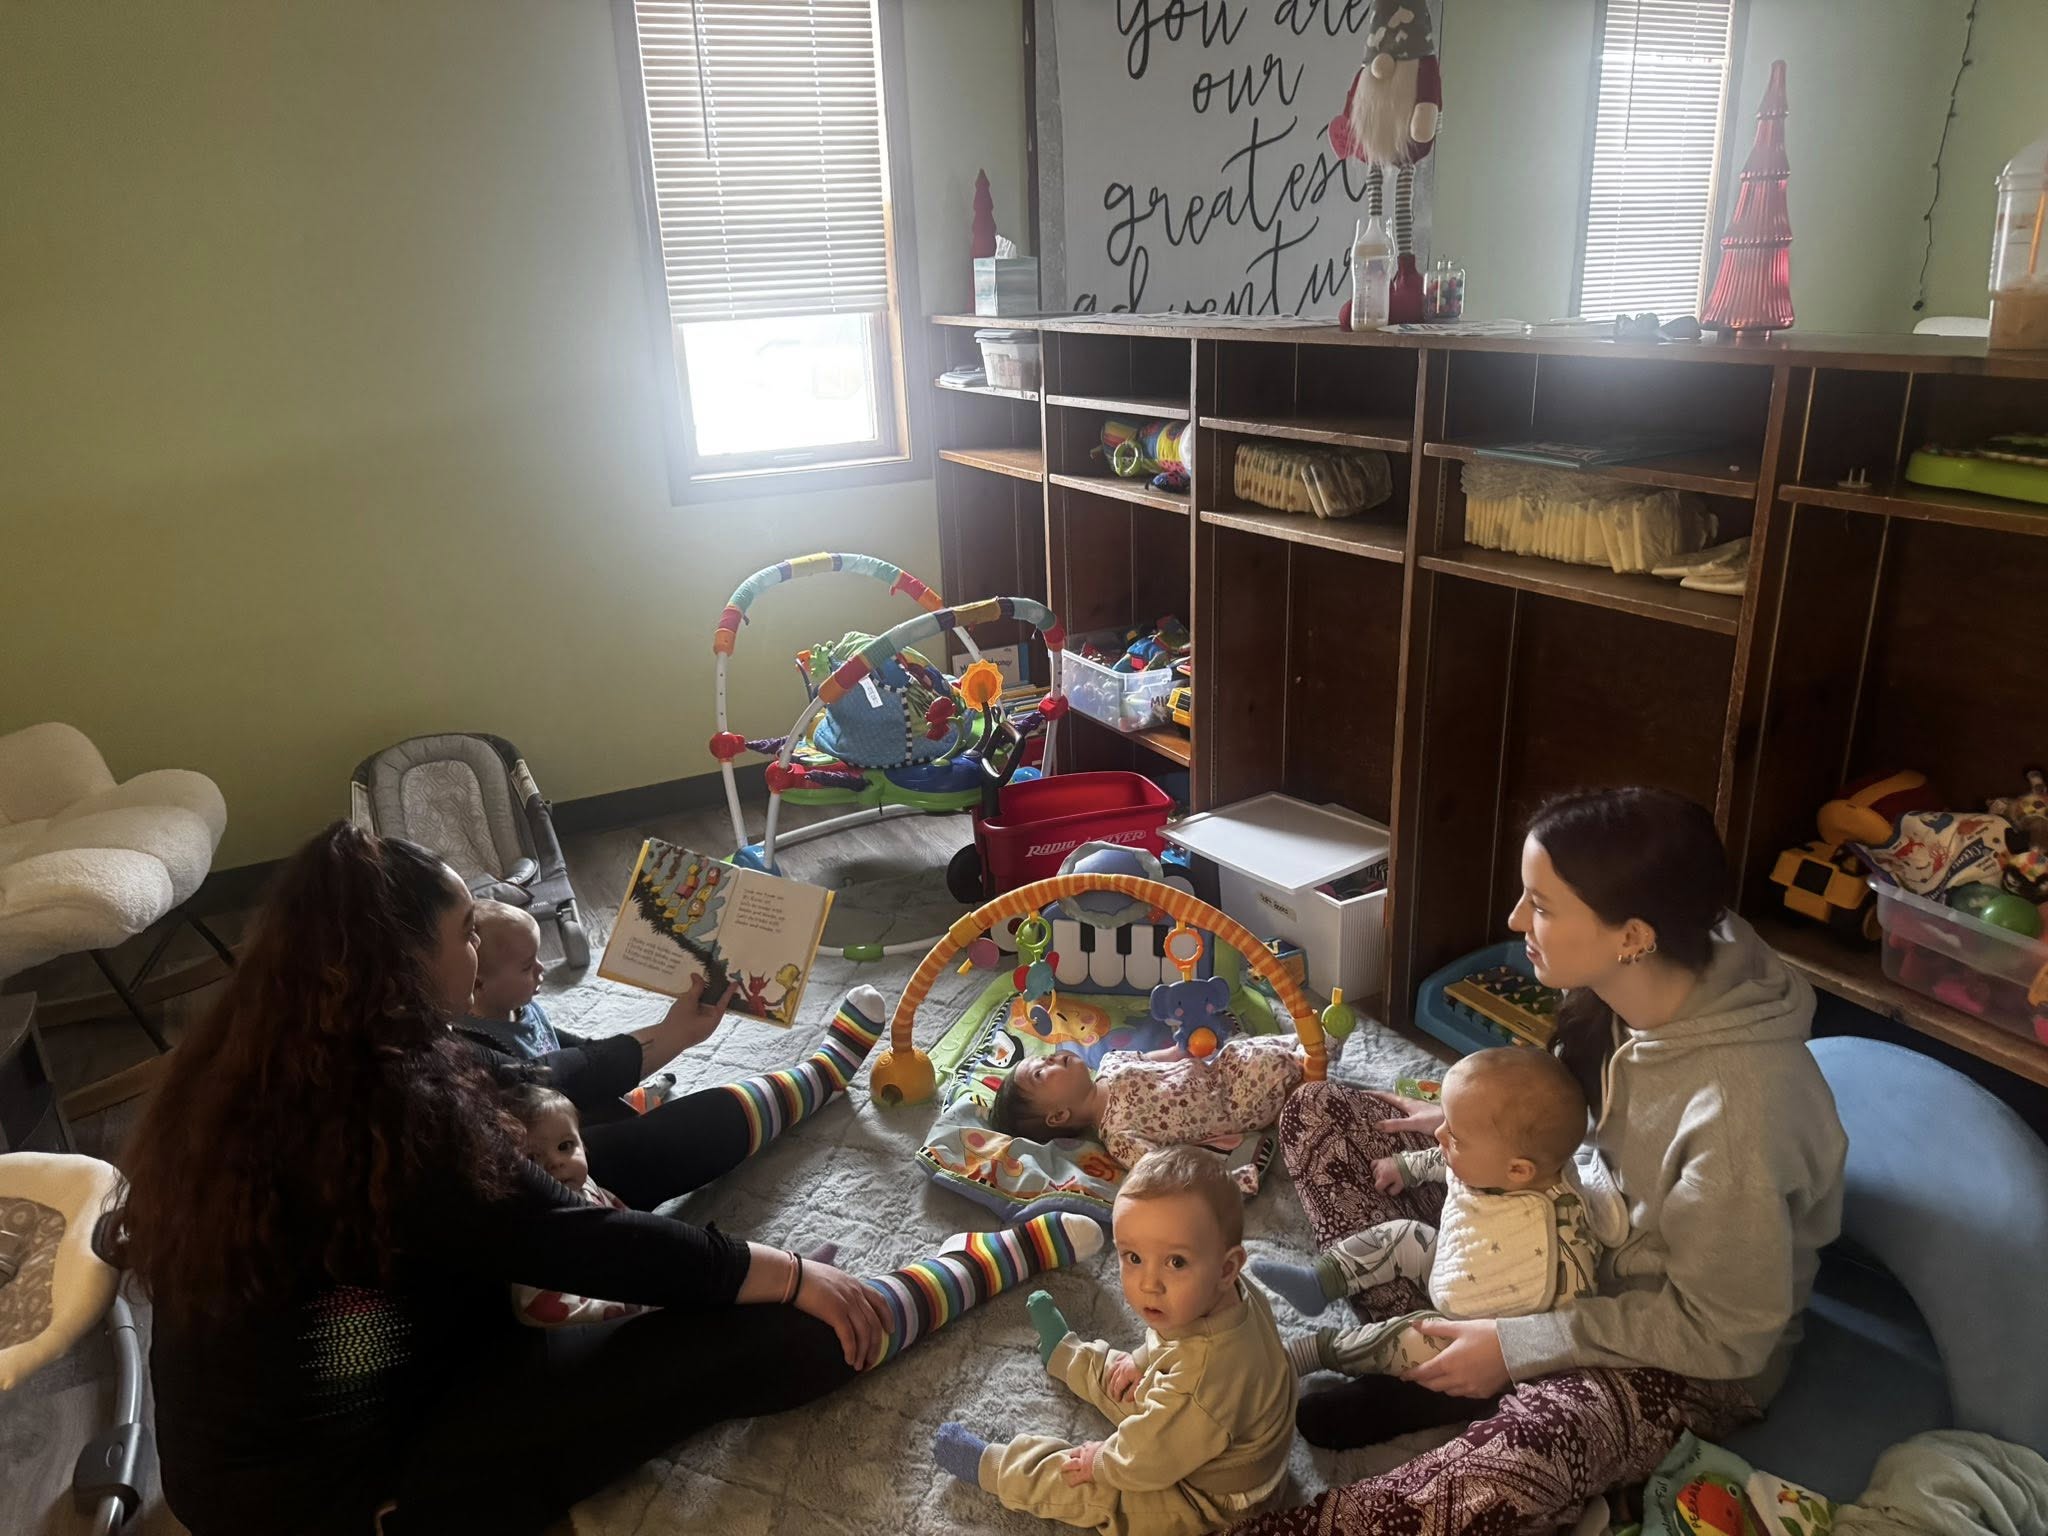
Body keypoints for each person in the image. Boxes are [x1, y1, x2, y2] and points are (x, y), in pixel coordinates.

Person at [115, 822, 1102, 1536]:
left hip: (388, 1337)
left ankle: (814, 1071)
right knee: (780, 1331)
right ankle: (1009, 1250)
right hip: (339, 1478)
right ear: (394, 961)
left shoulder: (309, 1046)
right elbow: (581, 1243)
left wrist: (668, 1037)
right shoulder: (381, 1116)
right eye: (463, 933)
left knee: (596, 1150)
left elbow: (533, 1100)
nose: (478, 947)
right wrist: (791, 1273)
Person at [1224, 787, 1848, 1536]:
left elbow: (1726, 1332)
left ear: (1633, 935)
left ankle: (1446, 1385)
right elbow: (1563, 1120)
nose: (1517, 921)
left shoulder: (1744, 1112)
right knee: (1323, 1113)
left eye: (1542, 906)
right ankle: (1448, 1361)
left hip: (1676, 1352)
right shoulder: (1630, 982)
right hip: (1543, 1232)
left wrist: (1527, 1345)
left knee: (1531, 1449)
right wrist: (1468, 1127)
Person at [935, 1146, 1295, 1535]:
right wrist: (1140, 1360)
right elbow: (1174, 1343)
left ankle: (998, 1467)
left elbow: (1147, 1458)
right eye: (1133, 1257)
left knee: (1092, 1485)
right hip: (1209, 1430)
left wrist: (1102, 1459)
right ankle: (1065, 1353)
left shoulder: (1206, 1379)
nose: (1148, 1284)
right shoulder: (1219, 1296)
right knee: (1127, 1377)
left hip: (1218, 1497)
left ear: (1227, 1268)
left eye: (1176, 1262)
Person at [1252, 1046, 1625, 1378]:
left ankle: (1317, 1351)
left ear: (1518, 1171)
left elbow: (1570, 1314)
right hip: (1454, 1261)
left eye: (1456, 1136)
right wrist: (1406, 1167)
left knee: (1416, 1339)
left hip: (1476, 1326)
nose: (1441, 1135)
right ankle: (1320, 1281)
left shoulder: (1557, 1244)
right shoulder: (1495, 1161)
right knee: (1402, 1234)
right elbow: (1442, 1159)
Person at [991, 1033, 1305, 1192]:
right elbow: (1168, 1173)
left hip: (1221, 1067)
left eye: (1045, 1056)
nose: (1051, 1059)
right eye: (1040, 1074)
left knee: (1250, 1049)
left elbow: (1166, 1057)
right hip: (1234, 1102)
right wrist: (1227, 1181)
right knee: (1279, 1066)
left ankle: (1307, 1045)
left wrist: (1187, 1038)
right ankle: (1310, 1062)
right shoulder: (1119, 1137)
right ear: (1058, 1116)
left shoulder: (1111, 1062)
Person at [462, 900, 561, 1058]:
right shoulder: (483, 1047)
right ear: (478, 983)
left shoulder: (515, 1002)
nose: (541, 967)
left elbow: (545, 1032)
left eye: (537, 956)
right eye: (527, 966)